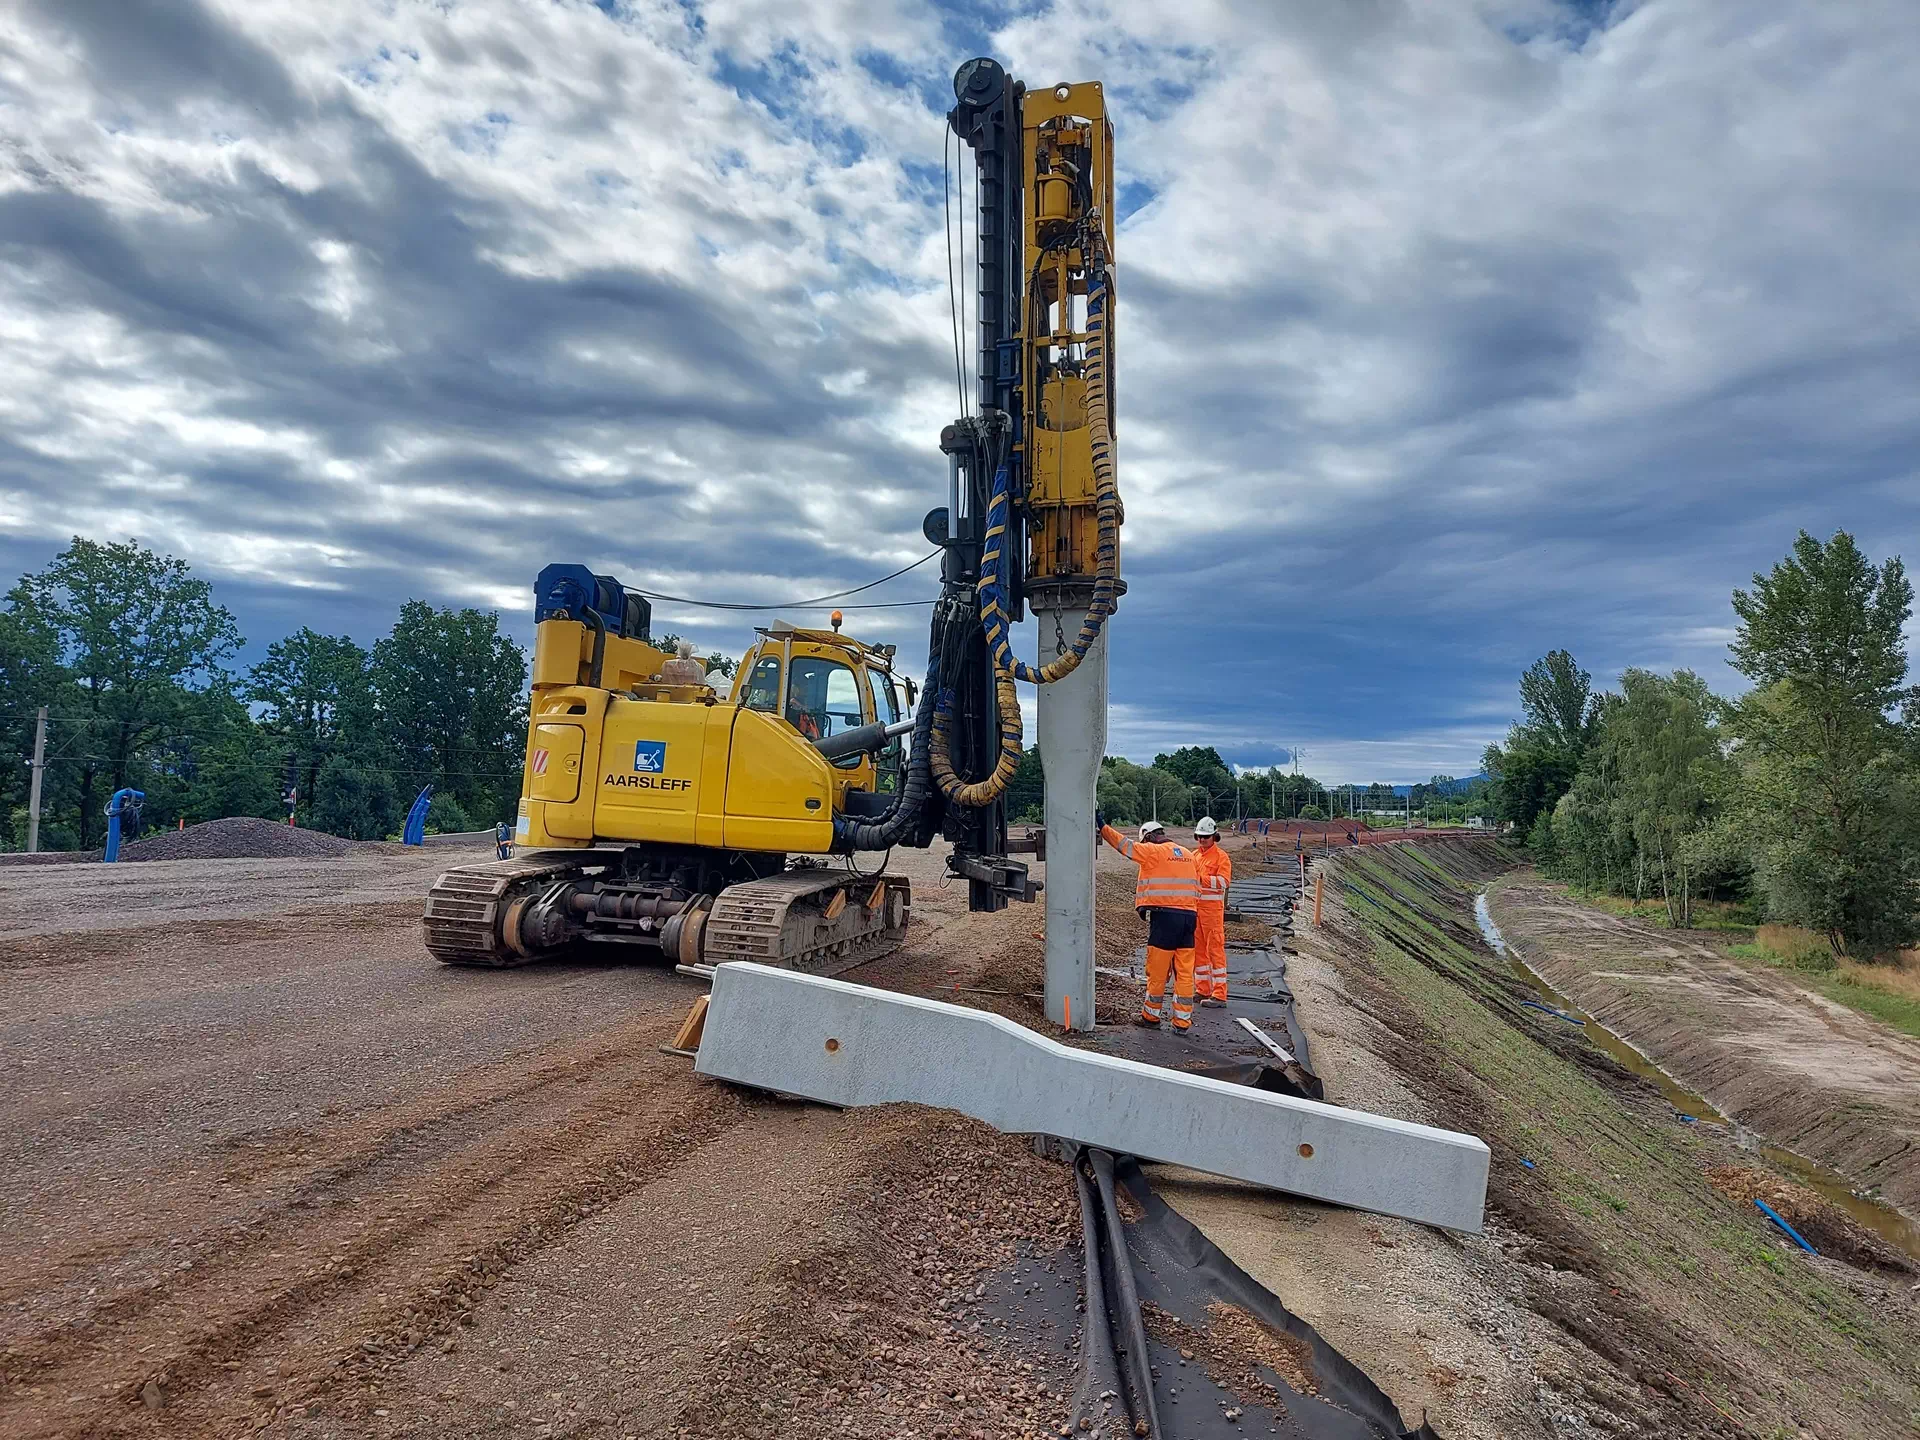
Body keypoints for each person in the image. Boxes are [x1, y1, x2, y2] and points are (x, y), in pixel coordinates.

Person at [1097, 812, 1199, 1031]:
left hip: (1165, 919)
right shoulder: (1188, 854)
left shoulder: (1153, 850)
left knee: (1158, 971)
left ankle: (1151, 1017)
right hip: (1190, 919)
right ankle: (1182, 1021)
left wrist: (1102, 826)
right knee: (1184, 972)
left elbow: (1124, 845)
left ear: (1149, 837)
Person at [1191, 816, 1232, 1005]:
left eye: (1205, 837)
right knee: (1198, 952)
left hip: (1212, 913)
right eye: (1199, 836)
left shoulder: (1221, 857)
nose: (1202, 840)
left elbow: (1224, 882)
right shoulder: (1194, 856)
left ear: (1214, 836)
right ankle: (1203, 989)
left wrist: (1202, 879)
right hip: (1196, 911)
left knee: (1215, 952)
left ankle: (1219, 994)